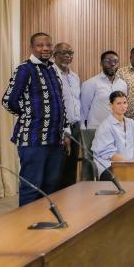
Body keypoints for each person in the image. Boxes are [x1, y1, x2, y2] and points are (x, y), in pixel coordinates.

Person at [2, 32, 67, 206]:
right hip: (33, 140)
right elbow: (8, 101)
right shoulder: (25, 69)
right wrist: (30, 115)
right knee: (31, 187)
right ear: (32, 48)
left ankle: (45, 227)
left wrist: (64, 132)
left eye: (48, 44)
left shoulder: (53, 69)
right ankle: (25, 229)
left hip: (55, 140)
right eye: (40, 45)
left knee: (51, 187)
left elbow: (60, 103)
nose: (45, 48)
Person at [91, 91, 134, 181]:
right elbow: (109, 153)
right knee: (131, 177)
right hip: (109, 166)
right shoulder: (105, 126)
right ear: (111, 106)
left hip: (130, 164)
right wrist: (130, 163)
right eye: (118, 103)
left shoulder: (131, 123)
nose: (123, 106)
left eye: (124, 103)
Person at [52, 42, 83, 186]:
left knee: (72, 167)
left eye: (71, 53)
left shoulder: (75, 77)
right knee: (58, 168)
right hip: (59, 128)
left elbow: (77, 103)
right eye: (64, 53)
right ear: (55, 55)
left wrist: (81, 127)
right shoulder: (51, 75)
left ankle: (69, 202)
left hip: (75, 127)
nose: (68, 56)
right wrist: (65, 131)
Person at [80, 51, 128, 129]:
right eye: (107, 61)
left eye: (115, 62)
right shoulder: (91, 83)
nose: (112, 64)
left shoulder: (123, 84)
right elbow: (83, 109)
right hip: (96, 129)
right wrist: (82, 129)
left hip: (117, 129)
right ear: (101, 64)